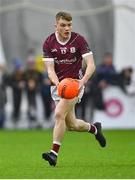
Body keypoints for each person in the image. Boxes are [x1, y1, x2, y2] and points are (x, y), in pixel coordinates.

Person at [42, 11, 106, 166]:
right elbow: (50, 69)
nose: (67, 28)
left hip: (74, 85)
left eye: (69, 25)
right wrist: (58, 85)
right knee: (72, 125)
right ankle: (95, 129)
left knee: (58, 115)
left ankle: (53, 154)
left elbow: (91, 64)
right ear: (56, 25)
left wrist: (81, 82)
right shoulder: (49, 42)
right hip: (58, 86)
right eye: (63, 25)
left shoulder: (79, 40)